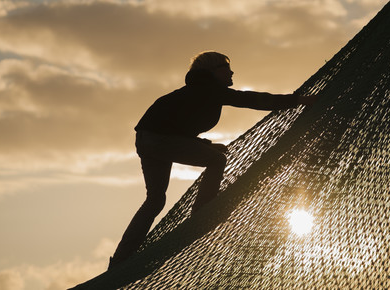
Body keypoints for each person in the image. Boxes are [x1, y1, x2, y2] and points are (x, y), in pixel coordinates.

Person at [108, 51, 317, 269]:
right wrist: (298, 100)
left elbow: (178, 124)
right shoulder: (209, 90)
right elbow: (250, 100)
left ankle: (121, 259)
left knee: (155, 200)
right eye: (225, 67)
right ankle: (201, 214)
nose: (231, 71)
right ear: (212, 72)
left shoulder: (197, 91)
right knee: (216, 161)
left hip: (147, 139)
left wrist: (203, 145)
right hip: (158, 139)